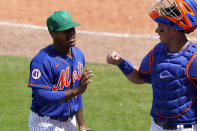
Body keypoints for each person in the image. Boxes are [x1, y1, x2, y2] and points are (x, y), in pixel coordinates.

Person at [107, 0, 197, 130]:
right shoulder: (157, 52)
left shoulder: (194, 58)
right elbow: (140, 78)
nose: (156, 30)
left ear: (174, 30)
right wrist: (121, 63)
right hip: (156, 126)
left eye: (161, 27)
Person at [28, 10, 93, 131]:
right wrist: (75, 91)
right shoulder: (42, 61)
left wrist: (82, 124)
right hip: (45, 123)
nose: (71, 33)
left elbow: (78, 93)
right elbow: (41, 97)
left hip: (70, 122)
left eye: (72, 28)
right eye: (65, 31)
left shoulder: (78, 55)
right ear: (53, 34)